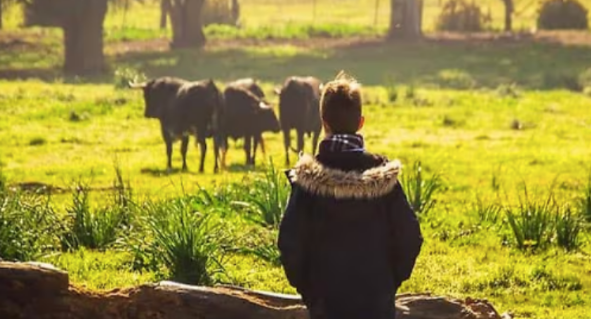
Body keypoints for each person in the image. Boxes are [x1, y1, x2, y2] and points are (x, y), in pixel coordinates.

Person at [277, 71, 423, 319]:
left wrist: (310, 292)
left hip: (325, 306)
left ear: (323, 122)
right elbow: (410, 237)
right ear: (361, 122)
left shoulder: (308, 182)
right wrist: (389, 283)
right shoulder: (383, 178)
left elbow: (289, 243)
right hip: (377, 303)